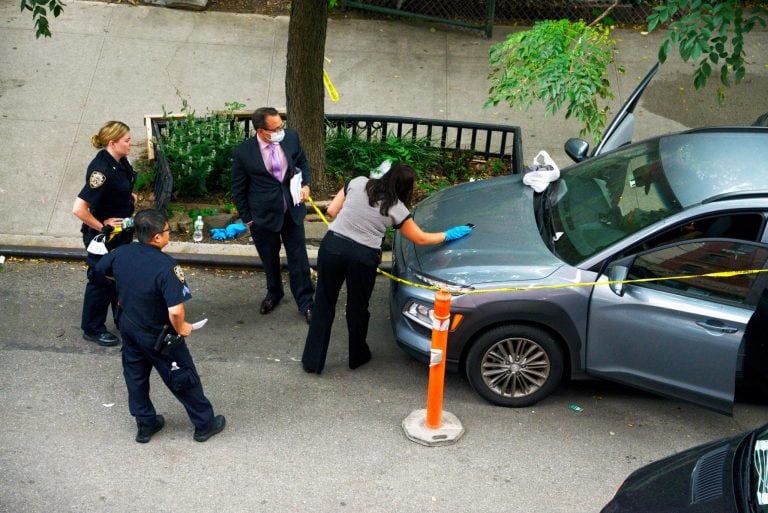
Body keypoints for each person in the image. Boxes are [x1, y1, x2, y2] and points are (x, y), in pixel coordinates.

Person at [301, 163, 472, 374]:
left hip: (332, 248)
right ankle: (357, 356)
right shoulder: (396, 207)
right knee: (357, 307)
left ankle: (312, 362)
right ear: (404, 187)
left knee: (324, 304)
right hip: (362, 258)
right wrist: (450, 234)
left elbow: (332, 210)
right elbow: (420, 238)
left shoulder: (357, 183)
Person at [95, 209, 226, 443]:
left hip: (130, 325)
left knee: (135, 375)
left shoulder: (122, 253)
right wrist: (182, 327)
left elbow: (101, 270)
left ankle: (145, 424)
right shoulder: (166, 267)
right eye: (167, 231)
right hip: (159, 334)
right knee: (182, 375)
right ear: (156, 237)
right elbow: (175, 309)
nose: (169, 234)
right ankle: (204, 424)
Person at [231, 107, 314, 324]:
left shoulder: (291, 138)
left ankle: (306, 302)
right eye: (275, 128)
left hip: (292, 210)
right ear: (261, 131)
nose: (281, 131)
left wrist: (306, 184)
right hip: (263, 216)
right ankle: (274, 292)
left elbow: (302, 161)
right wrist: (248, 219)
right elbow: (238, 189)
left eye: (281, 126)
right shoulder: (244, 152)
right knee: (269, 258)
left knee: (299, 259)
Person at [72, 121, 137, 347]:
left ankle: (121, 319)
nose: (131, 144)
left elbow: (121, 185)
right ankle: (92, 328)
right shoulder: (100, 171)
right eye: (127, 141)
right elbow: (79, 209)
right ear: (113, 143)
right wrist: (103, 226)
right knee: (101, 281)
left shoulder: (119, 161)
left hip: (120, 234)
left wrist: (129, 197)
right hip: (103, 238)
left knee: (117, 278)